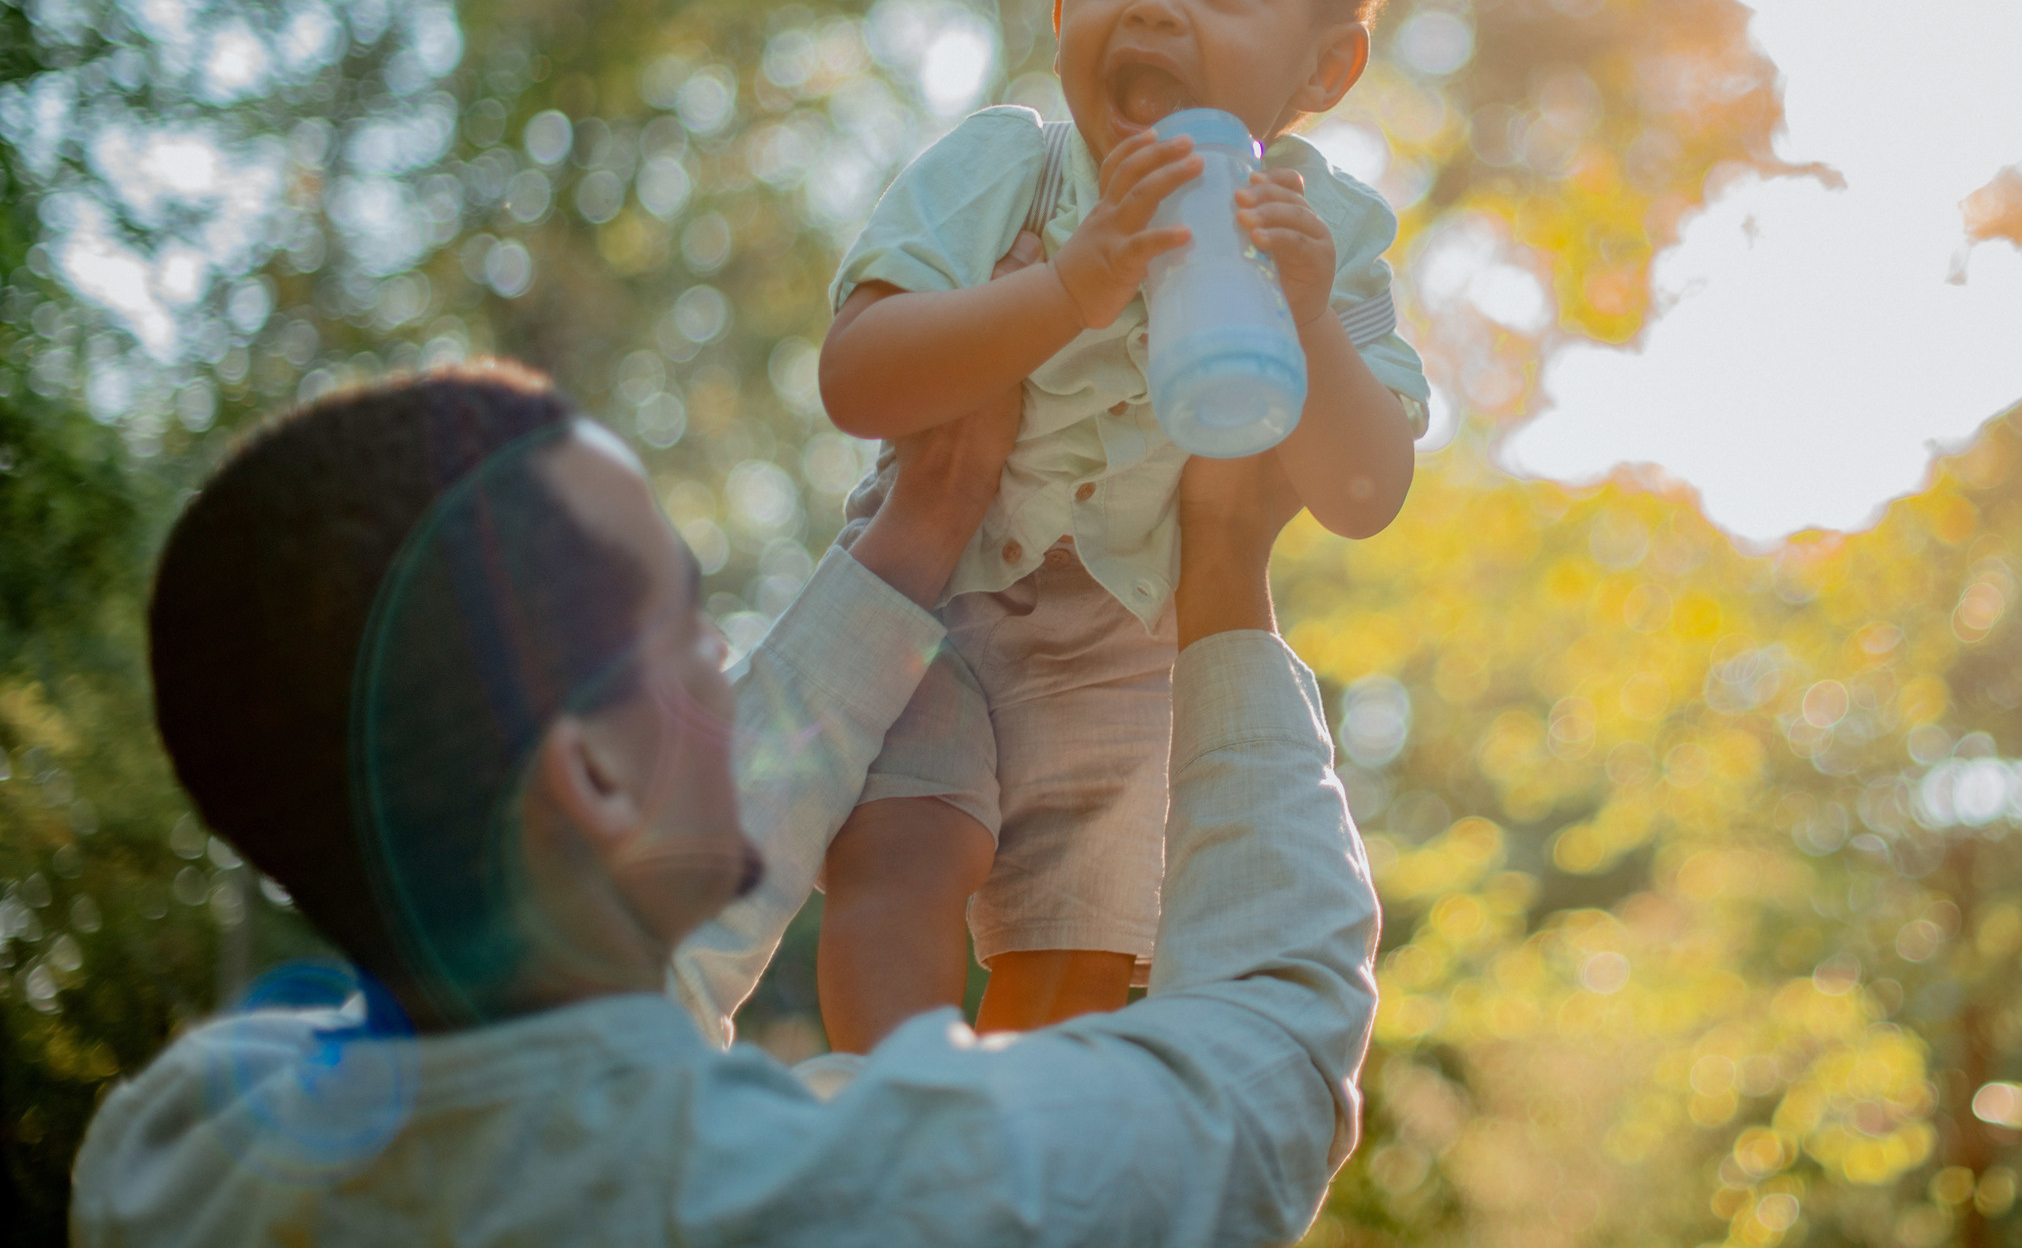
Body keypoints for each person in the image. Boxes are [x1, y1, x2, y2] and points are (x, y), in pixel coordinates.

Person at [72, 359, 1381, 1245]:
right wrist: (1224, 578)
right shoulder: (828, 1199)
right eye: (691, 626)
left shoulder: (183, 1147)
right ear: (591, 772)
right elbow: (1275, 1047)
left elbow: (598, 991)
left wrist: (915, 534)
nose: (726, 667)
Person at [792, 0, 1429, 1051]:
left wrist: (1302, 319)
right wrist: (1068, 283)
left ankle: (1020, 1175)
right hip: (937, 600)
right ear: (1060, 9)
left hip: (1130, 640)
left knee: (1079, 939)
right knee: (902, 851)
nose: (1153, 2)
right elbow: (859, 377)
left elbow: (1365, 491)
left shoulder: (1326, 239)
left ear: (1323, 66)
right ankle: (899, 1119)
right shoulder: (1006, 168)